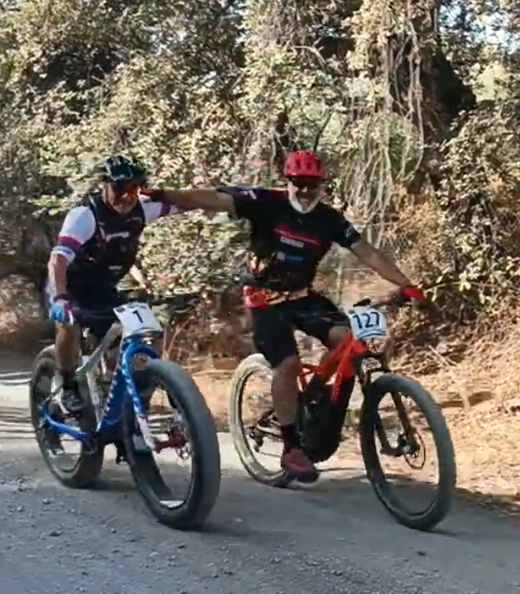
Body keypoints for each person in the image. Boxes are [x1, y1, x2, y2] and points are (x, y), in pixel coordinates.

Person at [147, 150, 426, 484]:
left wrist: (407, 285)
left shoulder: (329, 219)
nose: (306, 192)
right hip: (264, 301)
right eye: (299, 184)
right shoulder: (266, 202)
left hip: (303, 297)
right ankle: (291, 447)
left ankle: (318, 401)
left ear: (322, 186)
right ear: (288, 182)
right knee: (289, 364)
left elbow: (366, 252)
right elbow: (212, 199)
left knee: (349, 340)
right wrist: (165, 195)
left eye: (313, 186)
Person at [45, 156, 181, 413]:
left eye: (134, 189)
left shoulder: (143, 209)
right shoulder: (85, 216)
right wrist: (60, 298)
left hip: (103, 287)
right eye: (120, 189)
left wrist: (234, 198)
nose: (127, 197)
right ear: (104, 185)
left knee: (138, 334)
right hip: (68, 284)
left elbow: (186, 204)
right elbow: (58, 258)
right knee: (70, 324)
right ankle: (66, 383)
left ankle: (124, 397)